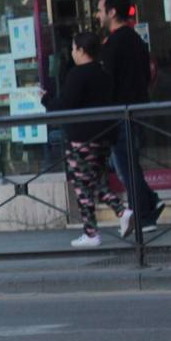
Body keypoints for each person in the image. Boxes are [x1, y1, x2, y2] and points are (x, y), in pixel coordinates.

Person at [50, 32, 128, 247]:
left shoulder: (78, 75)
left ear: (82, 50)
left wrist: (45, 99)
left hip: (81, 139)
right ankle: (98, 227)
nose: (72, 53)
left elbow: (66, 105)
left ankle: (109, 220)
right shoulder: (104, 73)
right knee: (94, 181)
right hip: (104, 136)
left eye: (74, 48)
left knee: (84, 184)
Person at [97, 0, 164, 234]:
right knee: (129, 162)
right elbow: (148, 74)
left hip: (120, 112)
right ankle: (149, 203)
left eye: (100, 9)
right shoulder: (136, 40)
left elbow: (106, 82)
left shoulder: (113, 44)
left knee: (125, 165)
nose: (97, 15)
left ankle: (143, 216)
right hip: (137, 108)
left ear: (112, 12)